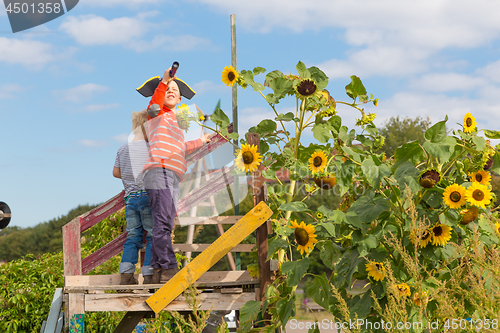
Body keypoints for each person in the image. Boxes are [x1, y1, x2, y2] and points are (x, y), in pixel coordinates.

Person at [142, 67, 210, 283]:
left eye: (175, 90)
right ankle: (169, 268)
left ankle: (156, 271)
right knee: (162, 222)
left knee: (166, 223)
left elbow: (182, 147)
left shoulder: (177, 123)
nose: (171, 91)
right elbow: (154, 104)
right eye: (168, 89)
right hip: (159, 170)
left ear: (180, 98)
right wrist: (164, 81)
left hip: (173, 174)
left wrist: (202, 141)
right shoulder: (156, 114)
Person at [113, 110, 154, 286]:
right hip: (147, 196)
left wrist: (129, 177)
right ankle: (149, 274)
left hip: (130, 199)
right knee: (152, 235)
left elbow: (116, 173)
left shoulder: (122, 149)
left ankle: (126, 276)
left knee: (132, 237)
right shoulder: (150, 147)